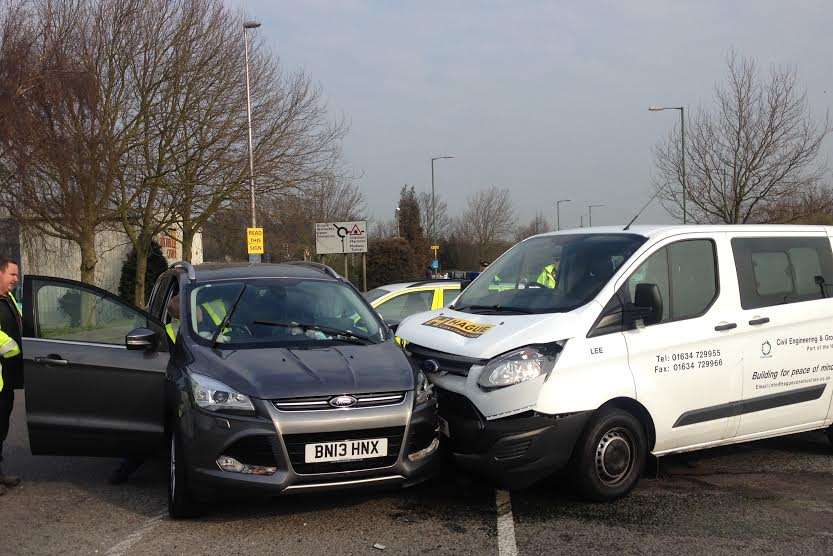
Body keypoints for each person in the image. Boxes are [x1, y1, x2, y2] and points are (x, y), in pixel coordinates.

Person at [0, 256, 22, 496]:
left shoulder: (8, 299)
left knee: (2, 425)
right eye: (12, 274)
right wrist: (14, 347)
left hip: (6, 377)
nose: (16, 279)